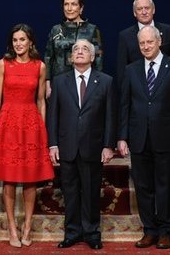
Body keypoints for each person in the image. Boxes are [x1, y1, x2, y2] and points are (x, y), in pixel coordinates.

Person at [117, 26, 170, 250]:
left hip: (166, 137)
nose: (146, 47)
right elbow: (125, 106)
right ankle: (149, 230)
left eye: (150, 42)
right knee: (143, 187)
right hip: (138, 137)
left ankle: (166, 231)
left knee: (165, 185)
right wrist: (122, 137)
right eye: (142, 43)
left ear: (159, 42)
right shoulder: (131, 70)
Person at [46, 39, 117, 250]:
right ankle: (72, 232)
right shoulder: (59, 81)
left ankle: (92, 233)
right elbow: (53, 116)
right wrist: (53, 144)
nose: (79, 52)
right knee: (69, 192)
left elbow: (110, 117)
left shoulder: (105, 81)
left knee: (91, 192)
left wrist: (108, 145)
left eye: (84, 49)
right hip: (67, 146)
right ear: (70, 57)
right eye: (75, 49)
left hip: (93, 147)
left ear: (93, 57)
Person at [0, 24, 54, 248]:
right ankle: (11, 226)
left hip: (31, 124)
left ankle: (27, 226)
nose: (19, 44)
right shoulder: (3, 64)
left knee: (30, 179)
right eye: (15, 40)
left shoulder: (40, 66)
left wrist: (43, 129)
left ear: (30, 42)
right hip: (8, 122)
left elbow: (40, 101)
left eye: (22, 39)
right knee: (8, 178)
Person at [44, 0, 103, 98]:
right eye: (66, 4)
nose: (69, 8)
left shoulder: (92, 30)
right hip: (59, 85)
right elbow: (48, 59)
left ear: (81, 8)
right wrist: (48, 86)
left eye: (74, 4)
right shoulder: (55, 30)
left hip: (84, 85)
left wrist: (96, 87)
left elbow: (98, 61)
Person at [116, 0, 170, 85]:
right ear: (134, 13)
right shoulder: (125, 36)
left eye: (147, 8)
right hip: (137, 89)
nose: (144, 12)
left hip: (165, 87)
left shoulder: (168, 30)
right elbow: (122, 70)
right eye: (140, 9)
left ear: (153, 10)